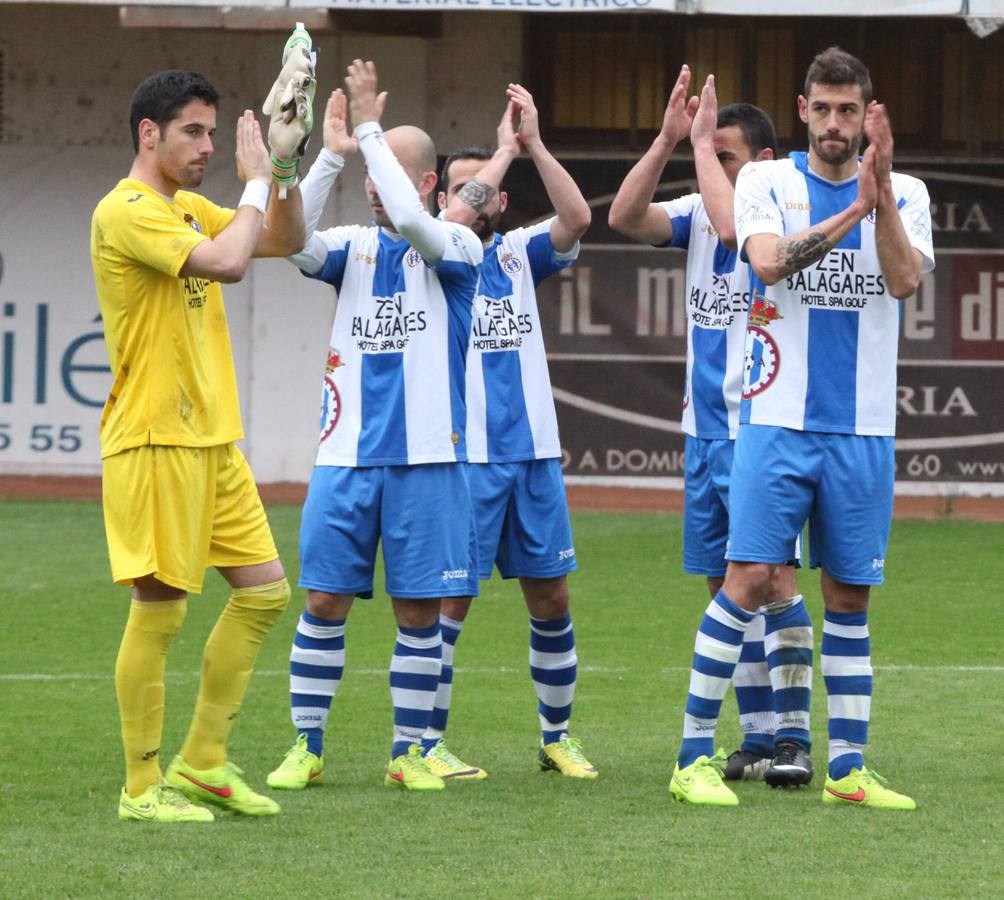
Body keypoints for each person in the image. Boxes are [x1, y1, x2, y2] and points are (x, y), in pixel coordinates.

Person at [668, 47, 934, 808]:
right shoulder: (765, 181)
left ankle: (847, 770)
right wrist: (853, 206)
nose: (834, 124)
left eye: (849, 111)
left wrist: (879, 197)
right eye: (823, 109)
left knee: (850, 597)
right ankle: (692, 759)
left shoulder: (907, 193)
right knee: (746, 579)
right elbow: (770, 264)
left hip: (863, 431)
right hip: (776, 420)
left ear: (866, 115)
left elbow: (904, 279)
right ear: (803, 109)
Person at [92, 61, 309, 823]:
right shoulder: (127, 210)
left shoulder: (186, 207)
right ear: (148, 133)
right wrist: (253, 182)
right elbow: (229, 263)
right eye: (193, 131)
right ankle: (142, 788)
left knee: (266, 593)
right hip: (154, 439)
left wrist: (281, 165)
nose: (208, 145)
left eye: (214, 133)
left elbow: (283, 238)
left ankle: (204, 761)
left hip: (212, 440)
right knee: (161, 608)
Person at [265, 61, 483, 793]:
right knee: (323, 601)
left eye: (383, 171)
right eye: (364, 174)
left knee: (418, 610)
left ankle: (409, 752)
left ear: (424, 180)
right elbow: (290, 240)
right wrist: (327, 152)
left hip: (426, 461)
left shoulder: (458, 248)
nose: (371, 185)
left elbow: (418, 223)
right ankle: (307, 745)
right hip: (345, 459)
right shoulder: (353, 247)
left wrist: (367, 130)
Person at [609, 68, 815, 790]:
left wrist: (699, 143)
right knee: (719, 585)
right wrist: (671, 139)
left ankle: (794, 736)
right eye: (710, 151)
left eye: (722, 153)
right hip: (703, 431)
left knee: (774, 578)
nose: (710, 161)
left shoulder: (780, 206)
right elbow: (625, 218)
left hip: (762, 427)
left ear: (759, 162)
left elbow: (735, 225)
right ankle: (756, 736)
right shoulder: (698, 207)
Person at [413, 84, 596, 781]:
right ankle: (427, 744)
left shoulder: (520, 254)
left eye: (486, 188)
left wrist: (531, 146)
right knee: (450, 601)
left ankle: (557, 737)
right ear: (442, 203)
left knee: (551, 598)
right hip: (466, 461)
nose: (477, 198)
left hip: (534, 459)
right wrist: (499, 153)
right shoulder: (432, 261)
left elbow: (578, 216)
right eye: (462, 190)